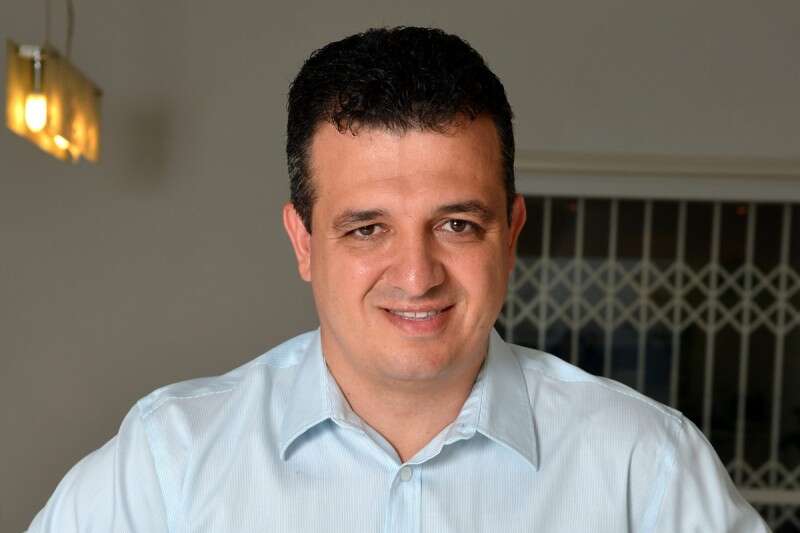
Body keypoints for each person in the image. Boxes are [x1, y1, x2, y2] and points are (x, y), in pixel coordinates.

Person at [26, 26, 769, 532]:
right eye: (367, 229)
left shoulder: (645, 467)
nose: (416, 276)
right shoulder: (168, 460)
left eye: (457, 224)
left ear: (511, 235)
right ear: (303, 241)